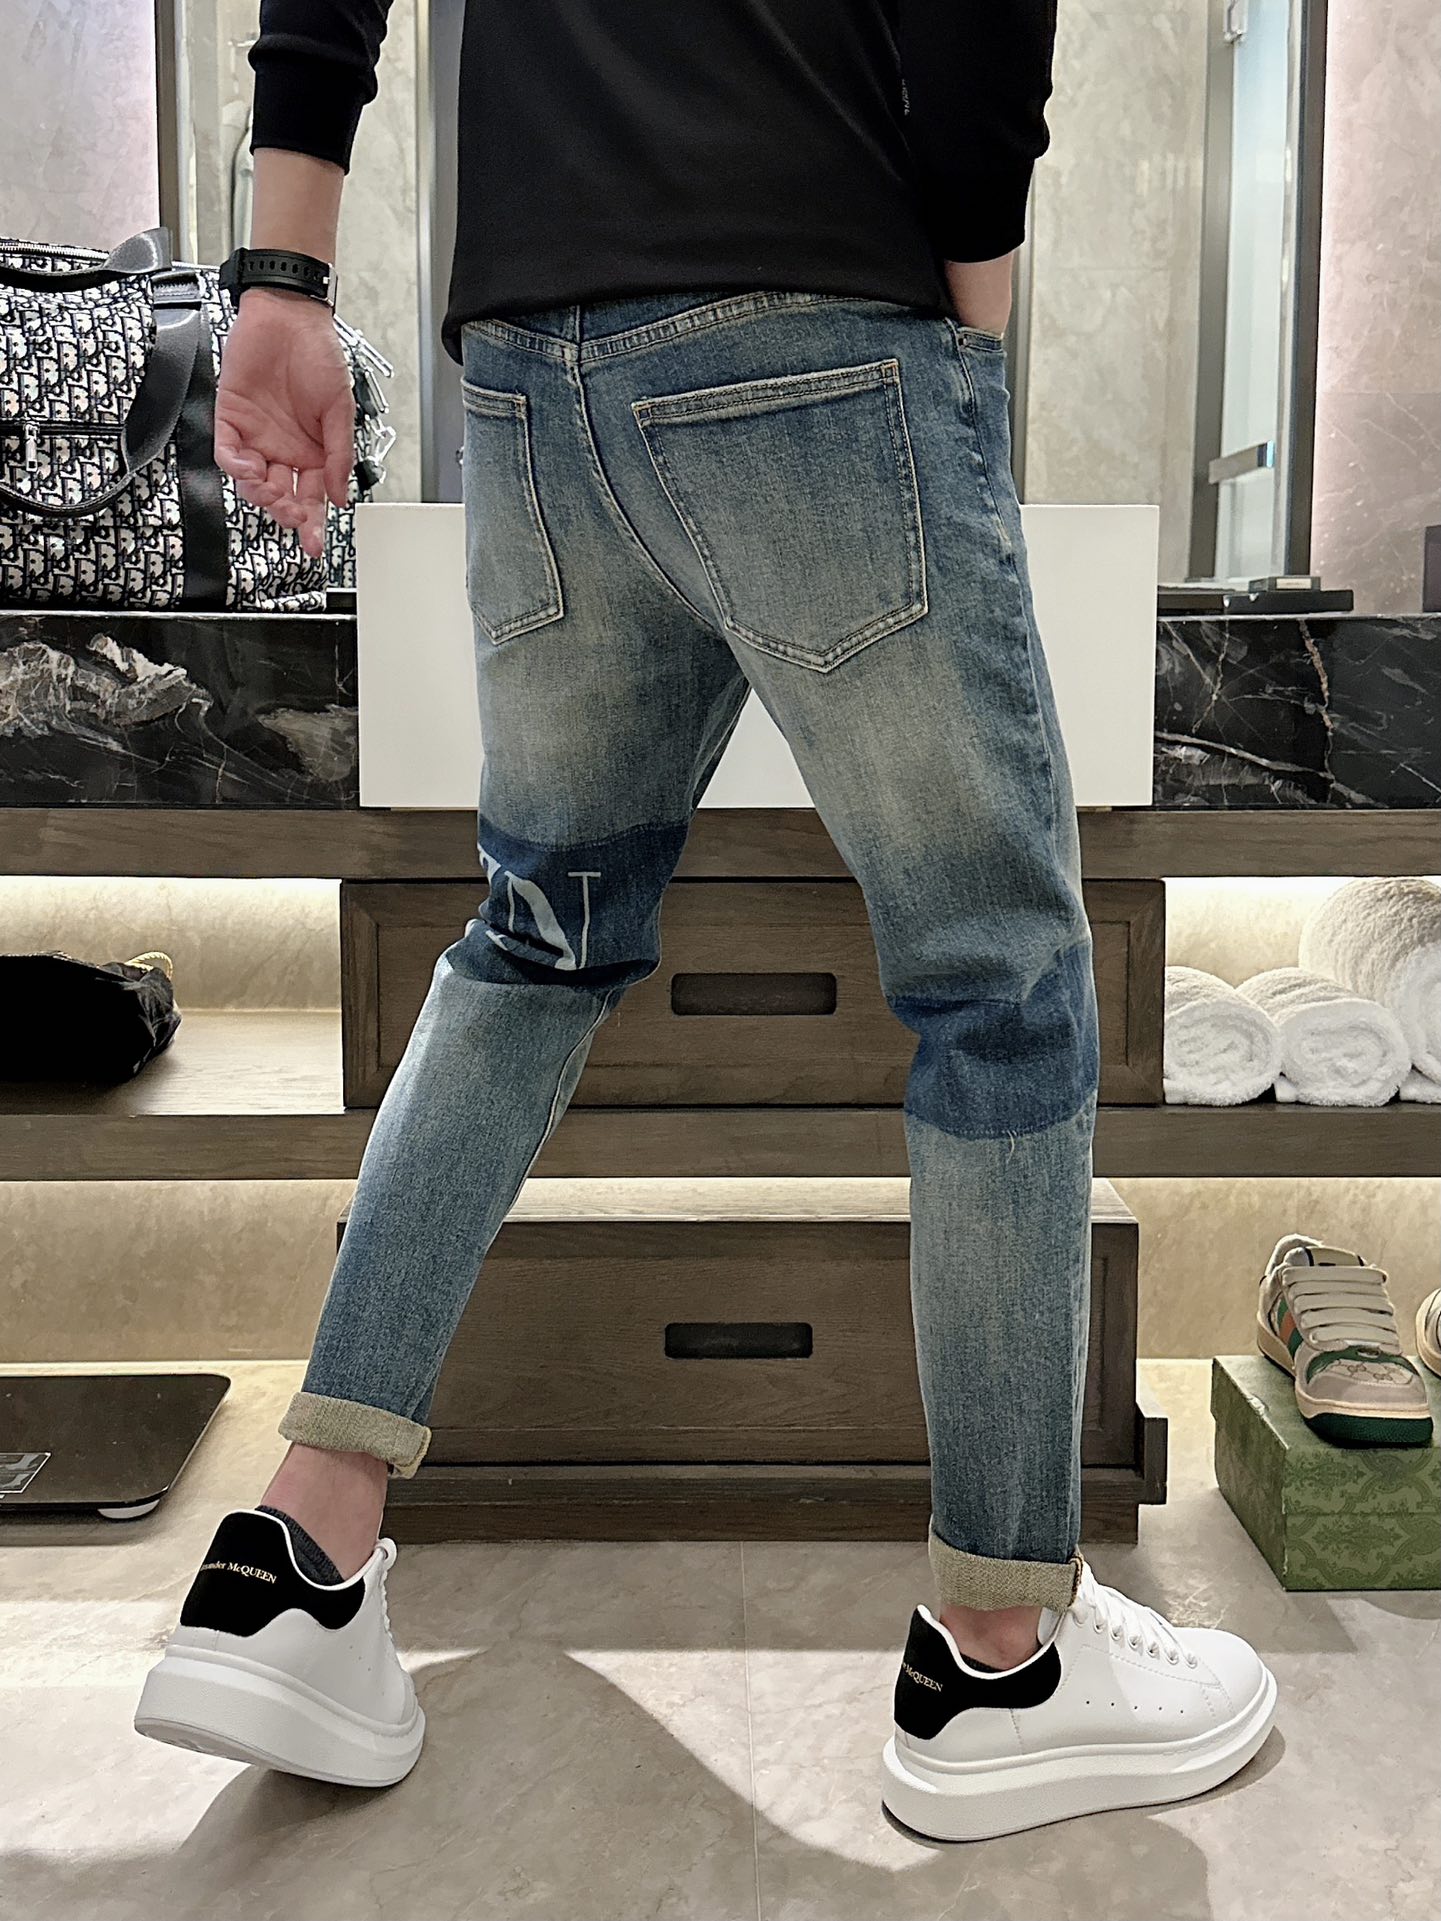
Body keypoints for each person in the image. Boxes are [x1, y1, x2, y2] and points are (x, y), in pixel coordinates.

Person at [136, 0, 1276, 1838]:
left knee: (534, 937)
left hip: (530, 363)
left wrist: (282, 273)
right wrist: (967, 333)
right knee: (996, 989)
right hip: (815, 315)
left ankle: (297, 1553)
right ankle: (1001, 1655)